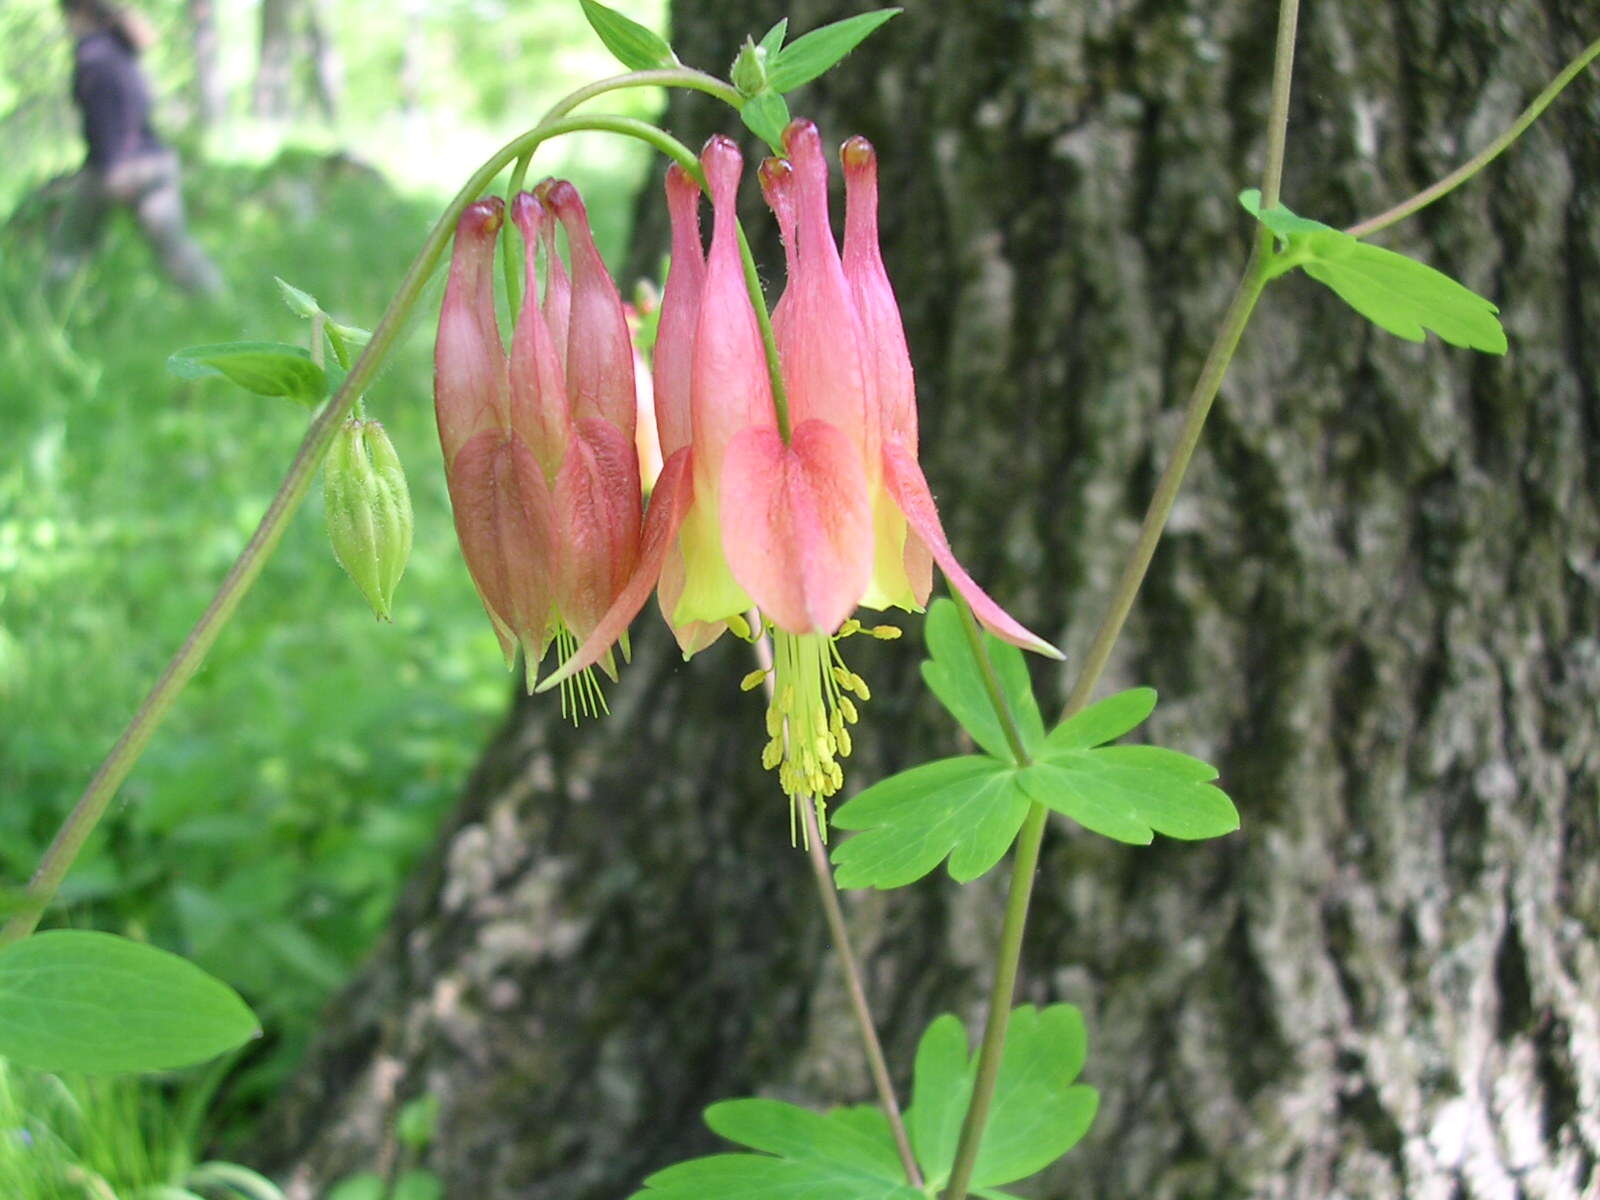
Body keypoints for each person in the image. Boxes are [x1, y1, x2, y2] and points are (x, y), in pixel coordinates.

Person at [49, 0, 223, 296]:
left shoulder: (90, 56)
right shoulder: (120, 49)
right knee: (175, 247)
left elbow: (104, 124)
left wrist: (109, 171)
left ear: (76, 14)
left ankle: (49, 309)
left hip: (117, 166)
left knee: (68, 245)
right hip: (154, 161)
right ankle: (218, 303)